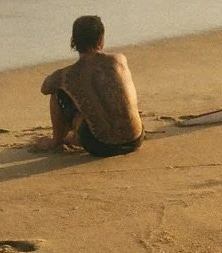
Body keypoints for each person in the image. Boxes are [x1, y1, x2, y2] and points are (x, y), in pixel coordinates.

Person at [37, 15, 145, 157]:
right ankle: (73, 137)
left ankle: (57, 141)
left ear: (73, 42)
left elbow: (45, 88)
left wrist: (68, 85)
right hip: (135, 138)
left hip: (102, 146)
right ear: (101, 40)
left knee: (57, 93)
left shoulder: (67, 75)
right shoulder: (119, 60)